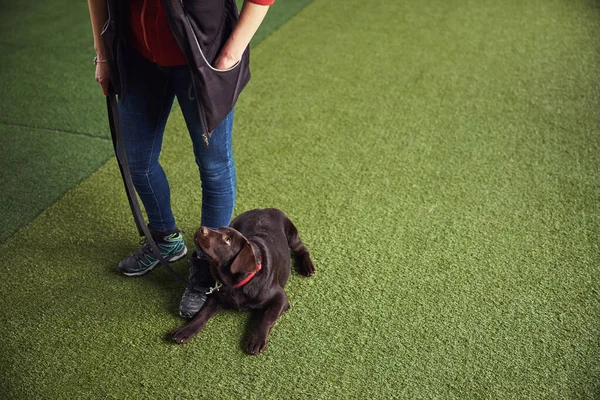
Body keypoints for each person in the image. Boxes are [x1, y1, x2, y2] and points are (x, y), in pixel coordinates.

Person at [87, 0, 274, 319]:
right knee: (135, 161)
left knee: (213, 167)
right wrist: (104, 54)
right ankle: (165, 238)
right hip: (137, 54)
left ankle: (207, 265)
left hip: (203, 57)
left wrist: (231, 54)